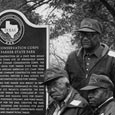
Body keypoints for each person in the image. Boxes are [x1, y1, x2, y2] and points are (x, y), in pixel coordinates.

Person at [64, 18, 115, 98]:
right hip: (78, 108)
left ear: (99, 35)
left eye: (90, 35)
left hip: (103, 108)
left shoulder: (111, 58)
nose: (85, 38)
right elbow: (66, 86)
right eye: (82, 34)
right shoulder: (72, 57)